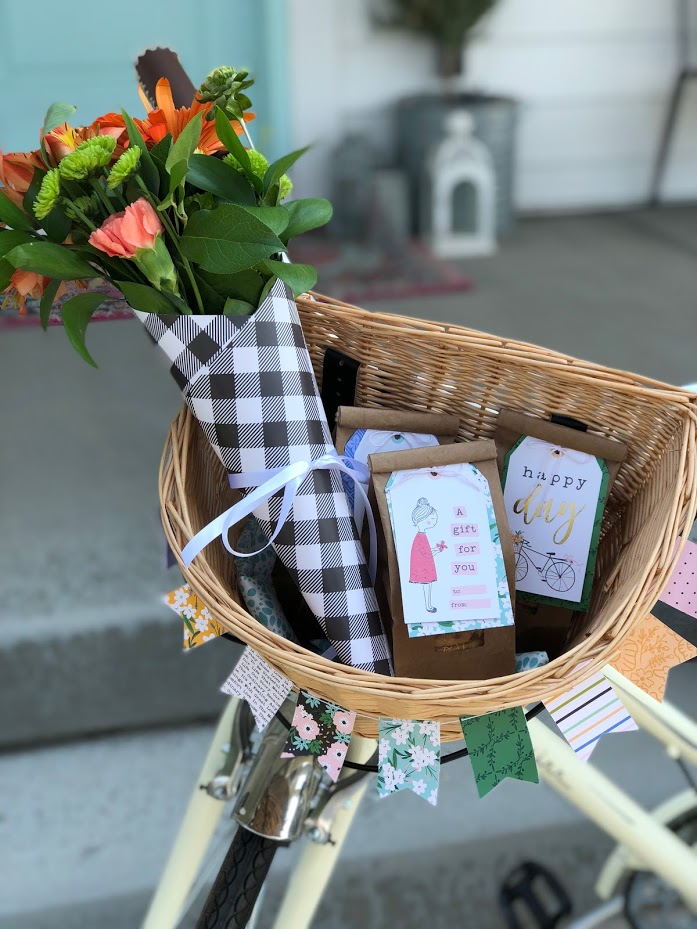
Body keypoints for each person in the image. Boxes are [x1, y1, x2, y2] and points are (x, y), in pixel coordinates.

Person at [409, 497, 441, 612]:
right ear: (419, 519)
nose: (433, 522)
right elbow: (426, 554)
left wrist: (436, 549)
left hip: (424, 565)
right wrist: (437, 550)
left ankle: (428, 605)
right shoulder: (420, 537)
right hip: (423, 566)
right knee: (427, 585)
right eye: (431, 519)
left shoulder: (422, 536)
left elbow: (425, 551)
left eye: (434, 519)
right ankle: (427, 606)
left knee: (428, 585)